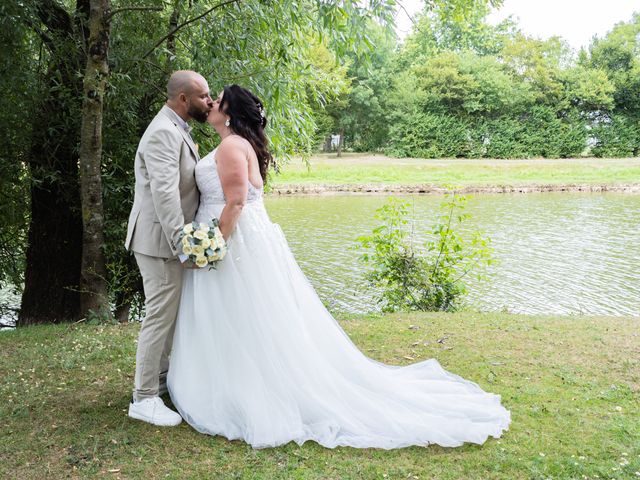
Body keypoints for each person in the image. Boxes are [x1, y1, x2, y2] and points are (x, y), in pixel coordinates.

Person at [167, 84, 511, 448]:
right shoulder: (233, 145)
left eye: (218, 100)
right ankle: (229, 380)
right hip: (242, 239)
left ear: (231, 113)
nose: (212, 104)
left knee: (241, 315)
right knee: (242, 316)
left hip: (234, 242)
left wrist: (214, 245)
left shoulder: (232, 146)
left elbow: (235, 203)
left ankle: (244, 390)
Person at [124, 70, 213, 426]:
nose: (209, 101)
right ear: (183, 99)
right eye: (205, 96)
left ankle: (159, 383)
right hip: (159, 240)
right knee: (159, 316)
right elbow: (164, 194)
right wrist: (183, 243)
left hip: (165, 239)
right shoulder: (163, 131)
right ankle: (143, 398)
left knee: (169, 315)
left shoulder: (176, 127)